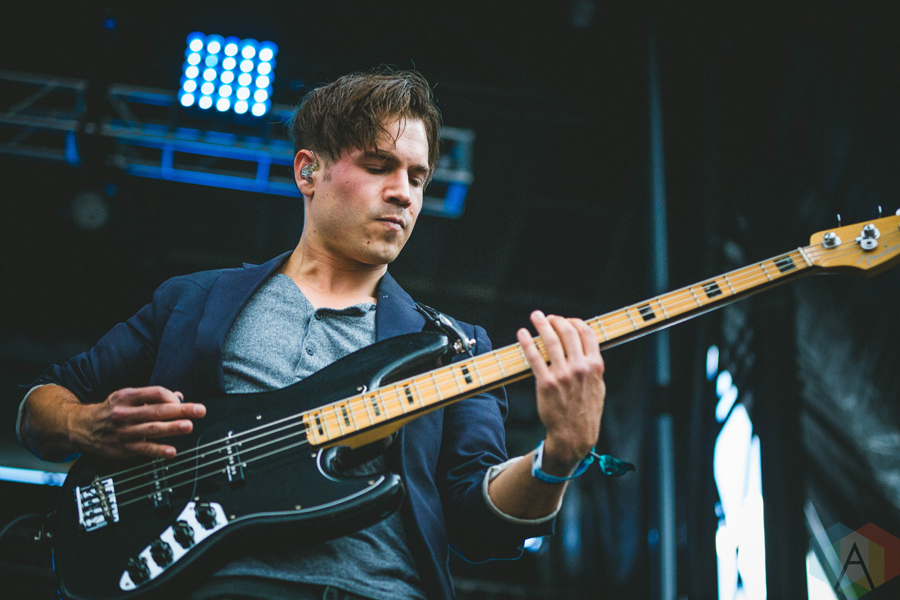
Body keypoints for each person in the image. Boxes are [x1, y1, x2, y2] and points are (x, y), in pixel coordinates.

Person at [17, 69, 606, 600]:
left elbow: (480, 527)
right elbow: (42, 404)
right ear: (308, 171)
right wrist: (82, 423)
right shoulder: (195, 299)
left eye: (418, 176)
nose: (404, 192)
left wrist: (558, 457)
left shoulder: (456, 347)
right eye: (378, 166)